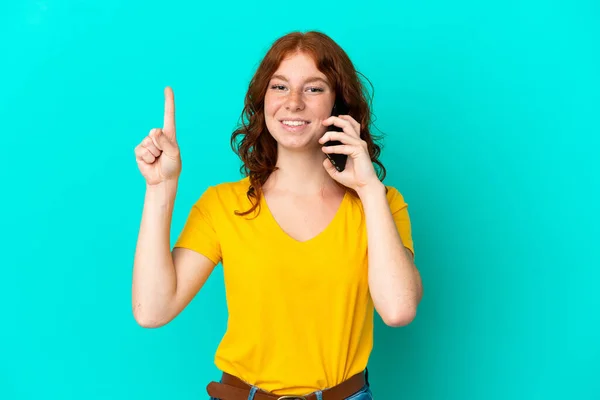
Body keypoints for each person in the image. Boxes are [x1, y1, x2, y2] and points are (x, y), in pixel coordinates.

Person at [132, 31, 423, 400]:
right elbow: (152, 310)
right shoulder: (222, 205)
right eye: (280, 86)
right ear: (263, 100)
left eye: (314, 89)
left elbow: (398, 309)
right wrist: (160, 188)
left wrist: (368, 189)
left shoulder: (381, 204)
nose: (294, 103)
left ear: (339, 104)